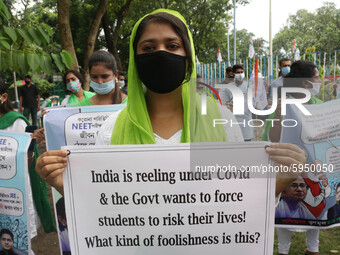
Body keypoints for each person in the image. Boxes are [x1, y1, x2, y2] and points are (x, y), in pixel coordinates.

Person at [36, 9, 305, 205]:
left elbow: (237, 203)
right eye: (148, 48)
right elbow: (102, 207)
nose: (161, 54)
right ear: (135, 59)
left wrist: (280, 182)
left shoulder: (221, 120)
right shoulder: (110, 130)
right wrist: (64, 185)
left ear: (187, 57)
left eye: (172, 45)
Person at [0, 78, 56, 234]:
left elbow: (27, 162)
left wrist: (30, 147)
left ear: (4, 97)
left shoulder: (16, 123)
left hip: (10, 195)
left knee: (14, 239)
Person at [262, 60, 323, 142]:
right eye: (316, 78)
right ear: (305, 83)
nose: (320, 81)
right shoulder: (282, 107)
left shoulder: (318, 104)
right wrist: (277, 116)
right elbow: (272, 140)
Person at [219, 64, 253, 141]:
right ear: (234, 74)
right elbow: (225, 105)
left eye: (242, 72)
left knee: (246, 144)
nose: (240, 74)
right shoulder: (228, 88)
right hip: (233, 120)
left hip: (246, 121)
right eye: (238, 72)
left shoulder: (249, 86)